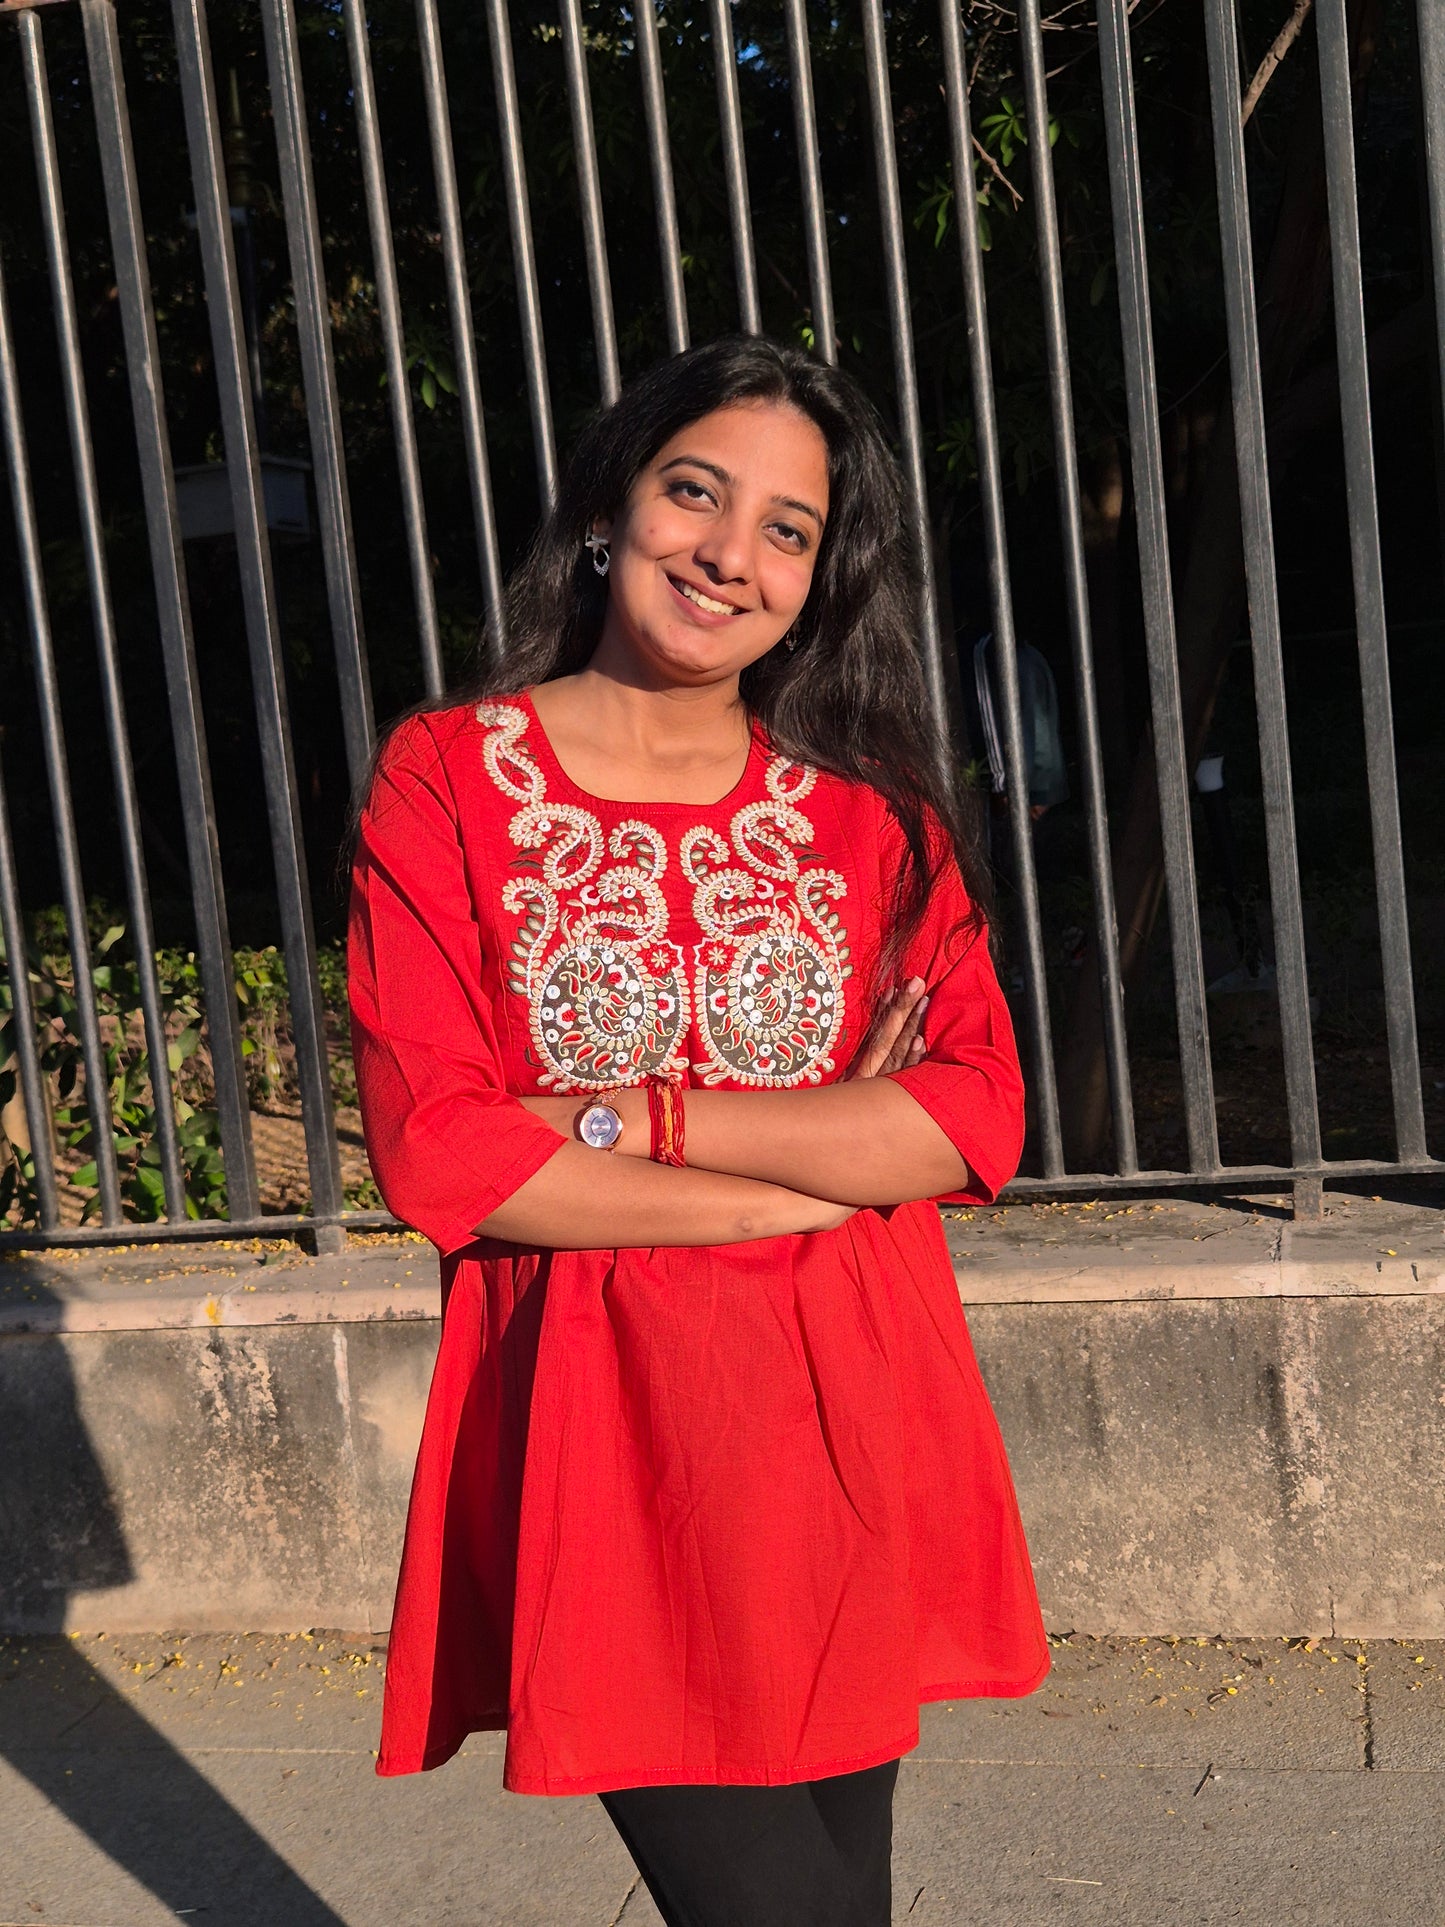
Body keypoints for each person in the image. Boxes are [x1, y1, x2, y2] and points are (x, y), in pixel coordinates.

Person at [348, 335, 1048, 1927]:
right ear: (610, 510)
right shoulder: (448, 777)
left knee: (837, 1907)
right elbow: (447, 1154)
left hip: (850, 1409)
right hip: (608, 1444)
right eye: (696, 494)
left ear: (817, 579)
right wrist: (797, 1179)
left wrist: (638, 1120)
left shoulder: (871, 812)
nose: (730, 555)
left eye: (787, 531)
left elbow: (969, 1112)